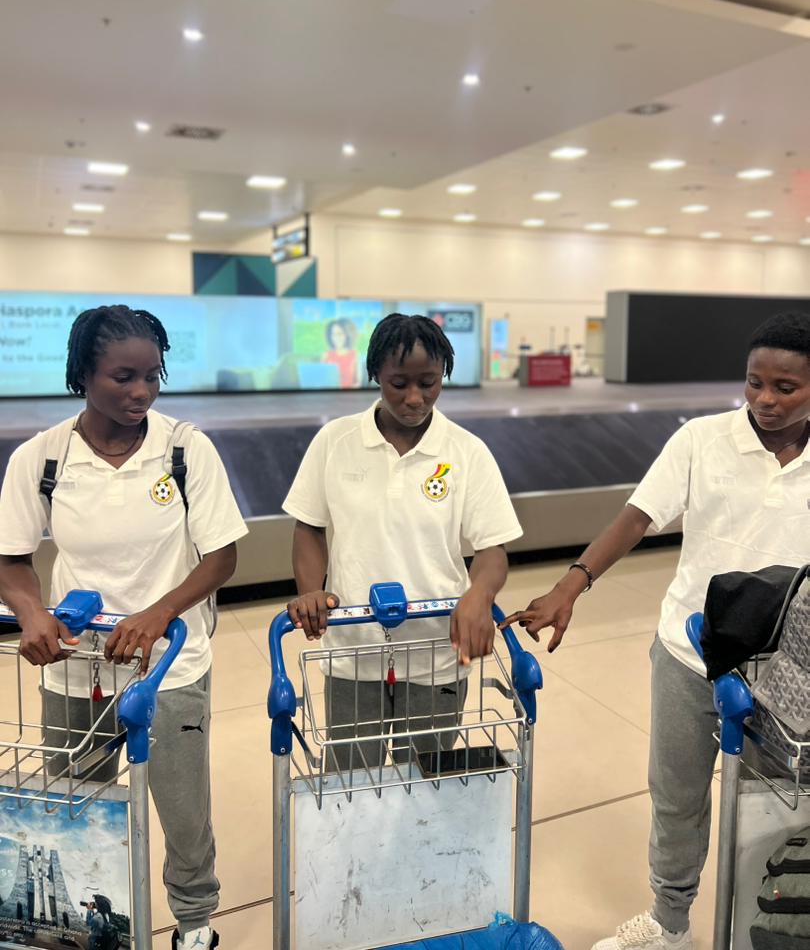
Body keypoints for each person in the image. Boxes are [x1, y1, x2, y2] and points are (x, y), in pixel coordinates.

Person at [500, 311, 810, 950]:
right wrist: (570, 584)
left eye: (786, 387)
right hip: (688, 654)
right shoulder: (701, 440)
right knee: (676, 799)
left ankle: (765, 926)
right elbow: (636, 517)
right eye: (754, 383)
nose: (765, 401)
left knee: (776, 807)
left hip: (786, 671)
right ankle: (669, 924)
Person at [0, 305, 248, 950]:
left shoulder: (185, 448)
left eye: (153, 375)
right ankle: (88, 929)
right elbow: (11, 556)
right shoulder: (43, 458)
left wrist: (160, 612)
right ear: (82, 373)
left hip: (170, 668)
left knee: (183, 810)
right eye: (123, 376)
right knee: (76, 807)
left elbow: (221, 554)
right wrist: (32, 613)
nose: (141, 391)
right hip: (78, 668)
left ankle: (194, 922)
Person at [283, 312, 522, 771]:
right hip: (355, 650)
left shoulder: (466, 451)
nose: (415, 398)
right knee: (352, 782)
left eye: (429, 383)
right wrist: (310, 589)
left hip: (436, 652)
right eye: (399, 384)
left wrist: (479, 594)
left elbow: (492, 548)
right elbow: (309, 526)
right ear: (375, 375)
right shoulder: (335, 441)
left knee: (426, 783)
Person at [322, 317, 361, 389]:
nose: (336, 337)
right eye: (333, 334)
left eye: (340, 334)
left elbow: (358, 383)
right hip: (330, 394)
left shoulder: (354, 355)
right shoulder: (326, 355)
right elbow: (322, 380)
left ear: (347, 335)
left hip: (349, 395)